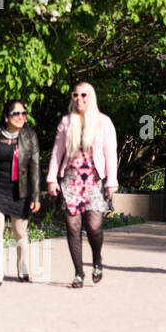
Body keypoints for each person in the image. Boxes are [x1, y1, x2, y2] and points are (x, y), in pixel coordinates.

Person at [47, 82, 119, 288]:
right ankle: (78, 272)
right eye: (76, 95)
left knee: (94, 226)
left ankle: (97, 260)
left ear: (91, 97)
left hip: (94, 181)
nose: (79, 99)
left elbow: (110, 153)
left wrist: (111, 182)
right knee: (72, 226)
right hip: (71, 179)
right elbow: (57, 152)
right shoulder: (67, 122)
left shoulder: (104, 122)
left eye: (84, 95)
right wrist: (52, 178)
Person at [0, 100, 41, 285]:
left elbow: (34, 167)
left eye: (23, 113)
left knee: (19, 232)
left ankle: (22, 266)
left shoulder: (29, 136)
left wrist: (35, 196)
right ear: (6, 116)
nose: (21, 117)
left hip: (21, 189)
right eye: (16, 113)